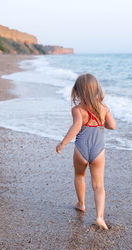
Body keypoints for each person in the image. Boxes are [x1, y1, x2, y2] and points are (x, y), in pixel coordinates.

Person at [56, 73, 116, 230]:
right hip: (98, 151)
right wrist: (102, 122)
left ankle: (81, 203)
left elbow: (76, 128)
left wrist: (62, 143)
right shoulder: (103, 108)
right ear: (97, 89)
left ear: (77, 91)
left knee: (79, 176)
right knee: (98, 185)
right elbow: (112, 125)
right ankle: (100, 217)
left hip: (81, 150)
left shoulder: (77, 109)